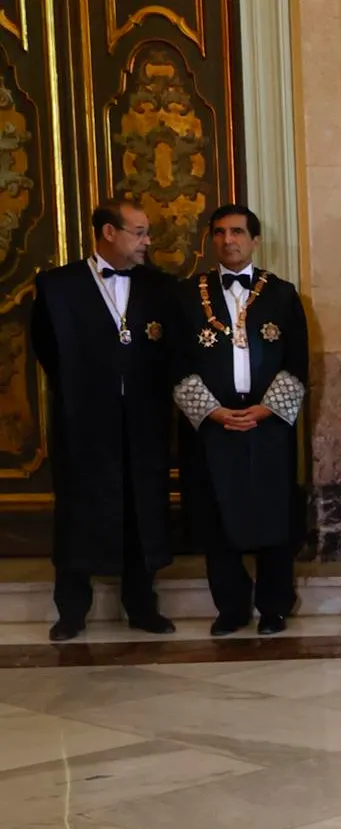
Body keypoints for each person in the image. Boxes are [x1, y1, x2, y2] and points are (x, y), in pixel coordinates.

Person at [29, 199, 177, 641]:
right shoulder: (57, 286)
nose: (147, 242)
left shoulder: (160, 286)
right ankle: (72, 610)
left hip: (144, 420)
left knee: (141, 509)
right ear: (108, 233)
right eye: (139, 232)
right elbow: (47, 349)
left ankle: (142, 606)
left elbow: (170, 352)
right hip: (84, 421)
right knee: (78, 511)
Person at [170, 205, 309, 636]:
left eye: (237, 232)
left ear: (254, 239)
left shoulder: (283, 294)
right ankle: (230, 607)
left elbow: (299, 361)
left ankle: (274, 606)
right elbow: (174, 361)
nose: (228, 240)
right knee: (217, 515)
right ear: (211, 240)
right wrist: (212, 410)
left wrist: (268, 408)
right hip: (214, 421)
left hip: (268, 420)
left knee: (274, 513)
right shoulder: (185, 294)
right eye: (219, 233)